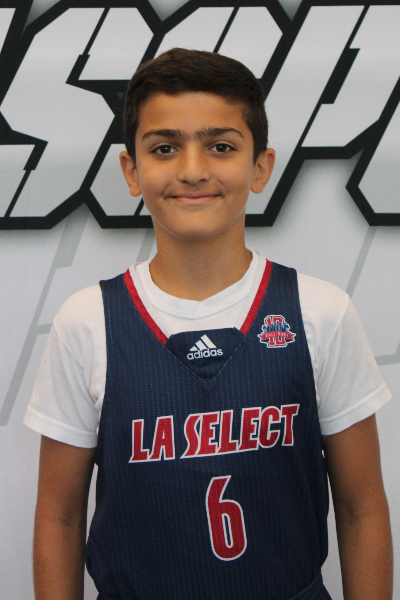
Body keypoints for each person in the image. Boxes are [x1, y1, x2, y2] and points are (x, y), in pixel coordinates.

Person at [25, 48, 393, 600]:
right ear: (131, 170)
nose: (193, 170)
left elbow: (362, 508)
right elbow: (59, 518)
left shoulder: (320, 312)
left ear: (260, 166)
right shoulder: (87, 322)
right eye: (165, 147)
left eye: (220, 146)